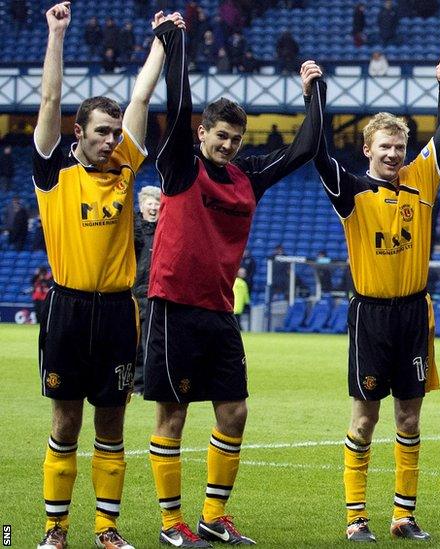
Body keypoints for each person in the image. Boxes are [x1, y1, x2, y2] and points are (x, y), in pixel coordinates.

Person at [143, 16, 326, 546]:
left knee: (235, 410)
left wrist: (313, 91)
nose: (226, 145)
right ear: (201, 134)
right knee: (172, 415)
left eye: (234, 138)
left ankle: (212, 515)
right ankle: (171, 522)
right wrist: (175, 44)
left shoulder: (248, 177)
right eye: (219, 136)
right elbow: (177, 105)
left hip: (219, 311)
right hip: (174, 304)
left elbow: (306, 148)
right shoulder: (179, 164)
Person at [312, 37, 440, 542]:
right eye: (386, 147)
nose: (395, 153)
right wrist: (315, 95)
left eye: (400, 146)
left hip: (412, 316)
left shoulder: (421, 180)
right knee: (364, 419)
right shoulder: (352, 190)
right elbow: (316, 152)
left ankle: (403, 516)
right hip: (371, 316)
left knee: (409, 417)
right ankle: (356, 517)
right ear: (368, 149)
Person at [32, 4, 169, 549]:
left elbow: (140, 99)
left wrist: (160, 41)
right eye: (102, 133)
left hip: (117, 312)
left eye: (116, 133)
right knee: (66, 423)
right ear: (79, 133)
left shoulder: (126, 169)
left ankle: (106, 530)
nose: (112, 140)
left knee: (111, 428)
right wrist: (56, 34)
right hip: (67, 310)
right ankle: (54, 530)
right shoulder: (53, 172)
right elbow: (48, 99)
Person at [133, 185, 161, 394]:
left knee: (152, 343)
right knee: (133, 344)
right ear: (141, 206)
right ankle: (135, 384)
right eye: (149, 204)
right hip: (133, 295)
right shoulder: (132, 230)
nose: (153, 208)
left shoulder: (165, 228)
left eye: (156, 204)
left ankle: (149, 385)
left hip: (155, 295)